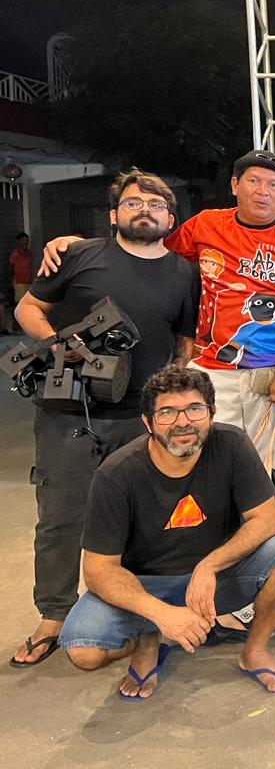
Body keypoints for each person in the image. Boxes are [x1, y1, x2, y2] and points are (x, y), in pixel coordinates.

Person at [10, 171, 198, 670]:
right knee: (62, 517)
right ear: (114, 214)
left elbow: (183, 342)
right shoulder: (77, 255)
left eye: (156, 204)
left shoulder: (183, 273)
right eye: (133, 202)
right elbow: (28, 308)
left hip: (141, 419)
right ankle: (53, 615)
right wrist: (59, 345)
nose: (145, 210)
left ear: (170, 218)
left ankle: (131, 610)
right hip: (69, 413)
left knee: (143, 521)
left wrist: (169, 399)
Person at [39, 151, 275, 469]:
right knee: (206, 464)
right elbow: (147, 247)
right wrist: (80, 246)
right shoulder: (206, 224)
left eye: (273, 184)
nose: (263, 191)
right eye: (254, 181)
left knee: (270, 469)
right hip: (211, 370)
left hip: (272, 373)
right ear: (235, 185)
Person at [58, 366, 275, 699]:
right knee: (83, 651)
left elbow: (265, 519)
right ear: (147, 422)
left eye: (194, 409)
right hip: (145, 584)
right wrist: (160, 613)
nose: (183, 422)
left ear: (212, 414)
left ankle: (255, 651)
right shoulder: (116, 475)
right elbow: (98, 569)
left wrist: (210, 565)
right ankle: (148, 639)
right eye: (167, 412)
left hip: (216, 580)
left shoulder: (232, 445)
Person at [9, 231, 33, 331]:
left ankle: (27, 324)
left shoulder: (29, 253)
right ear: (19, 241)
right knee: (18, 303)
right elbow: (10, 268)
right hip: (19, 281)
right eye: (23, 240)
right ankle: (16, 325)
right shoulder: (15, 254)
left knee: (29, 303)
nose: (25, 242)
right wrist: (11, 281)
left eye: (26, 240)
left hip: (29, 280)